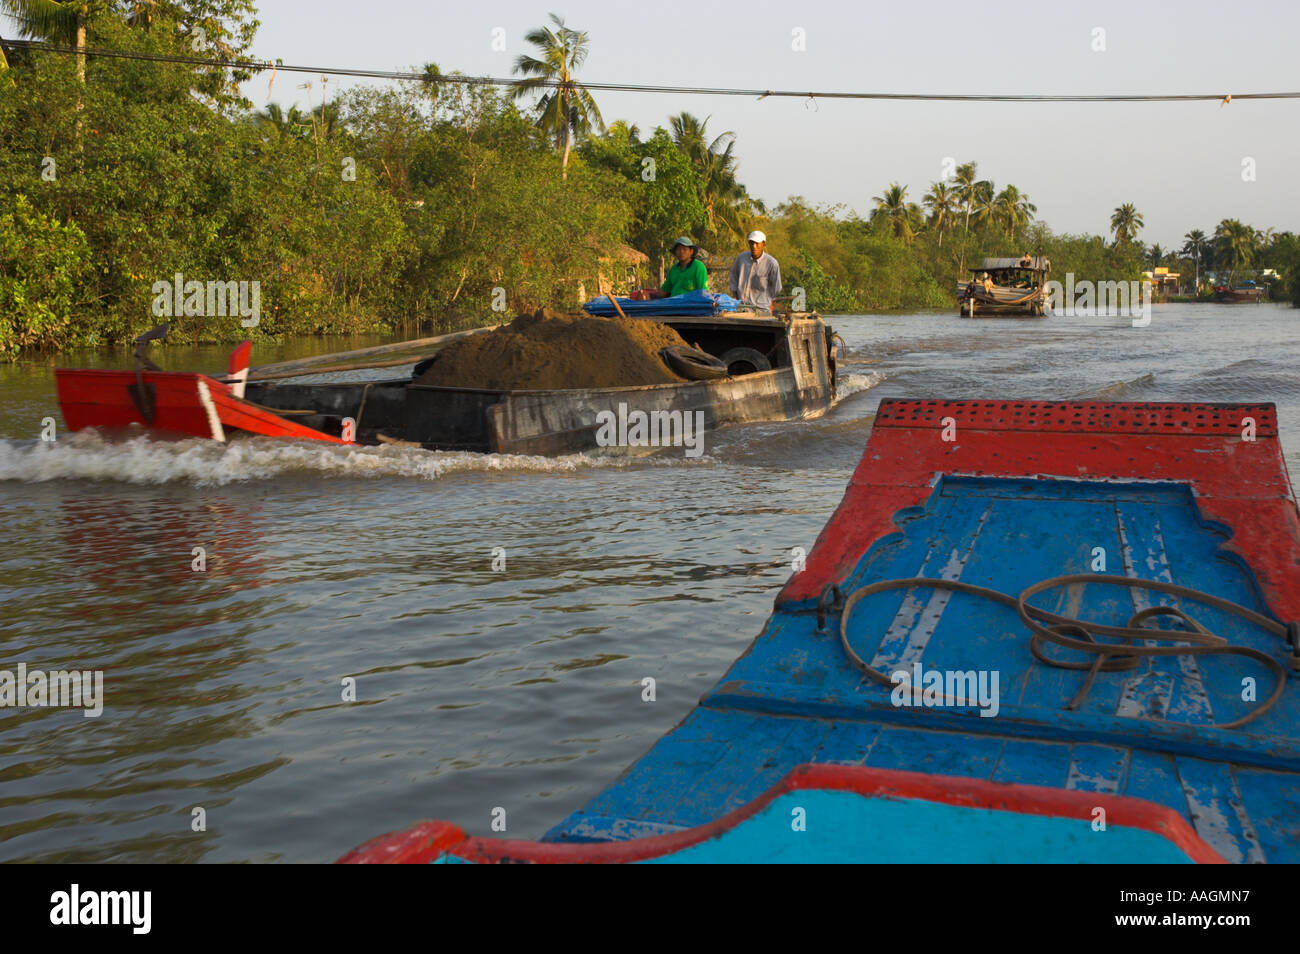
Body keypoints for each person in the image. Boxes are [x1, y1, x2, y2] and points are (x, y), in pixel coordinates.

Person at [730, 230, 782, 311]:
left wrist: (765, 300)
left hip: (761, 310)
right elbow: (733, 275)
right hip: (740, 309)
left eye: (757, 243)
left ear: (764, 244)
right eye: (751, 243)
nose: (754, 246)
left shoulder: (771, 263)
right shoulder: (741, 258)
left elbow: (776, 288)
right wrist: (735, 295)